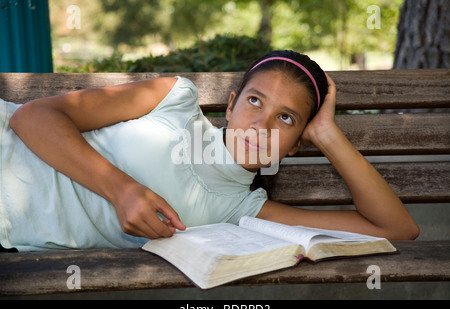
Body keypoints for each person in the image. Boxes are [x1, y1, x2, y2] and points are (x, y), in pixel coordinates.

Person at [0, 50, 419, 252]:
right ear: (231, 103)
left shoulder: (245, 210)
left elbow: (398, 229)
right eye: (255, 102)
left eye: (287, 119)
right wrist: (120, 189)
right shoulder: (172, 100)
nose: (262, 124)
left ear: (295, 146)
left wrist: (327, 134)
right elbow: (30, 119)